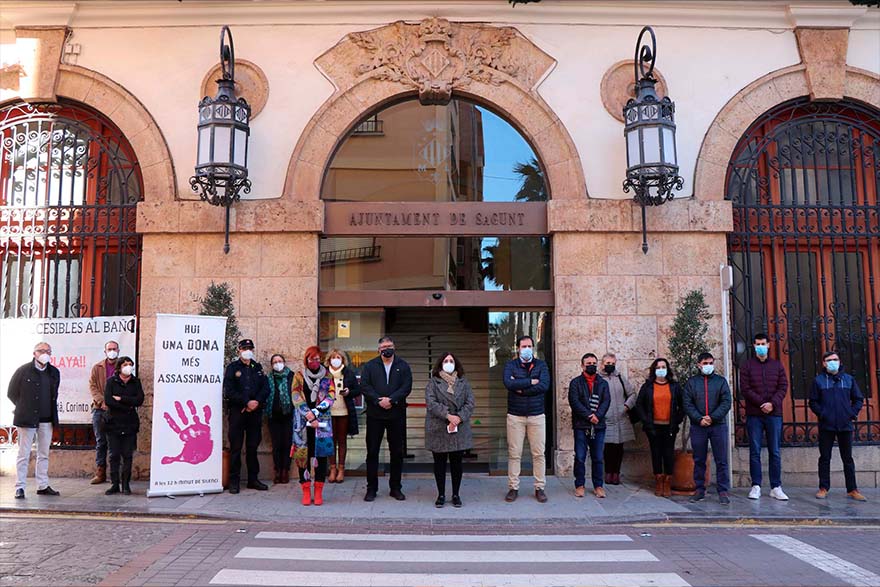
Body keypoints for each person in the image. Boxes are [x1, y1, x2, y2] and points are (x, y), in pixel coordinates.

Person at [360, 336, 412, 502]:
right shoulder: (370, 366)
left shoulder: (402, 366)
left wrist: (391, 400)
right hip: (375, 415)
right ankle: (371, 489)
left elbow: (406, 386)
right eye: (383, 346)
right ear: (378, 349)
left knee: (397, 452)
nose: (386, 349)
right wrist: (378, 400)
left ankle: (395, 488)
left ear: (394, 347)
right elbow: (365, 386)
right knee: (372, 452)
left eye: (389, 345)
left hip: (396, 414)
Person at [809, 351, 867, 501]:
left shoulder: (848, 380)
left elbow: (858, 399)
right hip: (826, 425)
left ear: (840, 361)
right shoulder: (819, 381)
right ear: (824, 363)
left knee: (847, 458)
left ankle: (852, 489)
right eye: (829, 360)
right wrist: (823, 414)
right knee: (825, 458)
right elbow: (813, 402)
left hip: (845, 425)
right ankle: (823, 488)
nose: (833, 362)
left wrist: (851, 413)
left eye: (835, 359)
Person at [8, 342, 61, 499]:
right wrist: (24, 407)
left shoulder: (54, 372)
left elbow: (54, 394)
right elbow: (11, 393)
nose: (45, 353)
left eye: (48, 351)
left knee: (43, 453)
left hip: (47, 419)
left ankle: (42, 485)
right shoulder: (23, 371)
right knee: (24, 454)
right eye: (41, 351)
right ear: (34, 353)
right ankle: (20, 487)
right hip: (27, 418)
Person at [740, 333, 789, 501]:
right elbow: (745, 389)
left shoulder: (777, 365)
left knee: (774, 451)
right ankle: (756, 486)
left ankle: (776, 486)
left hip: (774, 414)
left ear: (768, 345)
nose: (760, 346)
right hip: (755, 414)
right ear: (753, 346)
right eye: (757, 343)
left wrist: (772, 404)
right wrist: (762, 403)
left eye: (763, 343)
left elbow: (783, 386)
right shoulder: (747, 366)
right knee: (755, 451)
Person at [503, 335, 551, 503]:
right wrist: (531, 381)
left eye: (529, 345)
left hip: (537, 415)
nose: (527, 349)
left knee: (538, 454)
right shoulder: (510, 365)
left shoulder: (541, 365)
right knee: (514, 454)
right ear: (518, 348)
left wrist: (522, 388)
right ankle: (513, 488)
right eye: (523, 346)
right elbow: (508, 384)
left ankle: (539, 487)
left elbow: (544, 386)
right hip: (515, 416)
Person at [424, 353, 475, 508]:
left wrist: (458, 417)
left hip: (458, 428)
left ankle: (455, 494)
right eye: (446, 361)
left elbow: (470, 402)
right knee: (439, 463)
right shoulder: (433, 382)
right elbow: (431, 402)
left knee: (456, 463)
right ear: (440, 364)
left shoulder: (463, 382)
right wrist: (448, 415)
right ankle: (440, 494)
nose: (448, 363)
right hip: (439, 427)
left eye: (451, 360)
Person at [683, 352, 732, 504]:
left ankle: (723, 491)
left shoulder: (720, 382)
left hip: (718, 426)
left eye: (711, 363)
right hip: (699, 427)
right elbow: (687, 403)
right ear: (699, 365)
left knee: (721, 459)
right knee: (699, 459)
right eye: (705, 363)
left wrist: (713, 417)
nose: (708, 366)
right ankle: (699, 490)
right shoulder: (692, 382)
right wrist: (699, 418)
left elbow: (726, 401)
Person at [222, 338, 270, 494]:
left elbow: (265, 388)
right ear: (239, 350)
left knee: (252, 447)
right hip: (238, 413)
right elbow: (229, 390)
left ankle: (253, 479)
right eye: (244, 348)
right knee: (236, 448)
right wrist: (246, 402)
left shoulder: (258, 367)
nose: (247, 351)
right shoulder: (232, 368)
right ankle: (234, 480)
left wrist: (257, 402)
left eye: (250, 348)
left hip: (254, 414)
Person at [291, 346, 336, 506]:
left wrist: (316, 411)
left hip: (321, 422)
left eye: (317, 359)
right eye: (312, 359)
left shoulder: (327, 375)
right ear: (306, 360)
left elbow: (331, 396)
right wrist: (307, 412)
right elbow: (295, 395)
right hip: (302, 423)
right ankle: (305, 490)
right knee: (302, 457)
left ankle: (318, 491)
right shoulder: (299, 375)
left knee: (321, 457)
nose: (315, 362)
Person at [636, 358, 684, 497]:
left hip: (669, 427)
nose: (661, 369)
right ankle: (658, 481)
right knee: (656, 453)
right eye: (658, 367)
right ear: (654, 370)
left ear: (667, 369)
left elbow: (682, 405)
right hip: (653, 427)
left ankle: (668, 481)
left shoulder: (674, 386)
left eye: (663, 367)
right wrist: (646, 421)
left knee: (668, 454)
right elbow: (639, 405)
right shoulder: (648, 386)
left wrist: (677, 420)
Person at [568, 353, 610, 498]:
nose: (591, 365)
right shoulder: (575, 383)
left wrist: (597, 416)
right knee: (580, 456)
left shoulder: (603, 383)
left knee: (598, 457)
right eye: (588, 363)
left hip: (598, 426)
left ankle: (598, 486)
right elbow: (574, 402)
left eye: (594, 363)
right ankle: (579, 485)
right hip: (581, 425)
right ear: (582, 365)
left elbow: (606, 401)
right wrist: (588, 415)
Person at [103, 356, 144, 495]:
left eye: (130, 364)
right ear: (119, 367)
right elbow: (109, 400)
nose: (128, 366)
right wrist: (128, 405)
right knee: (114, 455)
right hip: (113, 423)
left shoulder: (135, 381)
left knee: (127, 454)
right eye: (125, 364)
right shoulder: (111, 381)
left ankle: (126, 484)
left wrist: (121, 399)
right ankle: (115, 484)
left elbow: (139, 400)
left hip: (129, 423)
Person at [598, 353, 637, 485]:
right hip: (606, 418)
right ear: (602, 364)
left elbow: (632, 394)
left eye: (612, 363)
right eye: (607, 363)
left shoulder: (620, 378)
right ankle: (608, 473)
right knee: (608, 447)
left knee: (619, 448)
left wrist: (626, 406)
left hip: (621, 418)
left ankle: (616, 473)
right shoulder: (598, 379)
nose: (610, 366)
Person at [326, 348, 361, 484]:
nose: (336, 360)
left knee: (342, 441)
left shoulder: (348, 373)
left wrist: (349, 392)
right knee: (330, 441)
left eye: (338, 357)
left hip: (344, 411)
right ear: (329, 360)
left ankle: (341, 469)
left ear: (343, 360)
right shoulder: (325, 373)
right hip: (328, 412)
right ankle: (332, 469)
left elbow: (357, 390)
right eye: (333, 357)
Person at [88, 340, 119, 484]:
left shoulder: (123, 366)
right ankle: (100, 472)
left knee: (115, 442)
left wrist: (113, 402)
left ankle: (115, 473)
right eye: (109, 349)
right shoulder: (97, 367)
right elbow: (93, 386)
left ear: (118, 350)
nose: (112, 351)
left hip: (117, 410)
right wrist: (102, 401)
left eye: (114, 349)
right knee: (101, 442)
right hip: (99, 409)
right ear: (105, 351)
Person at [266, 354, 294, 485]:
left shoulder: (291, 376)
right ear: (272, 365)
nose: (278, 364)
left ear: (284, 362)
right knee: (276, 444)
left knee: (287, 444)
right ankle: (277, 470)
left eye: (280, 361)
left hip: (288, 415)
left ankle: (285, 470)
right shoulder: (268, 378)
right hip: (273, 415)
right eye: (275, 362)